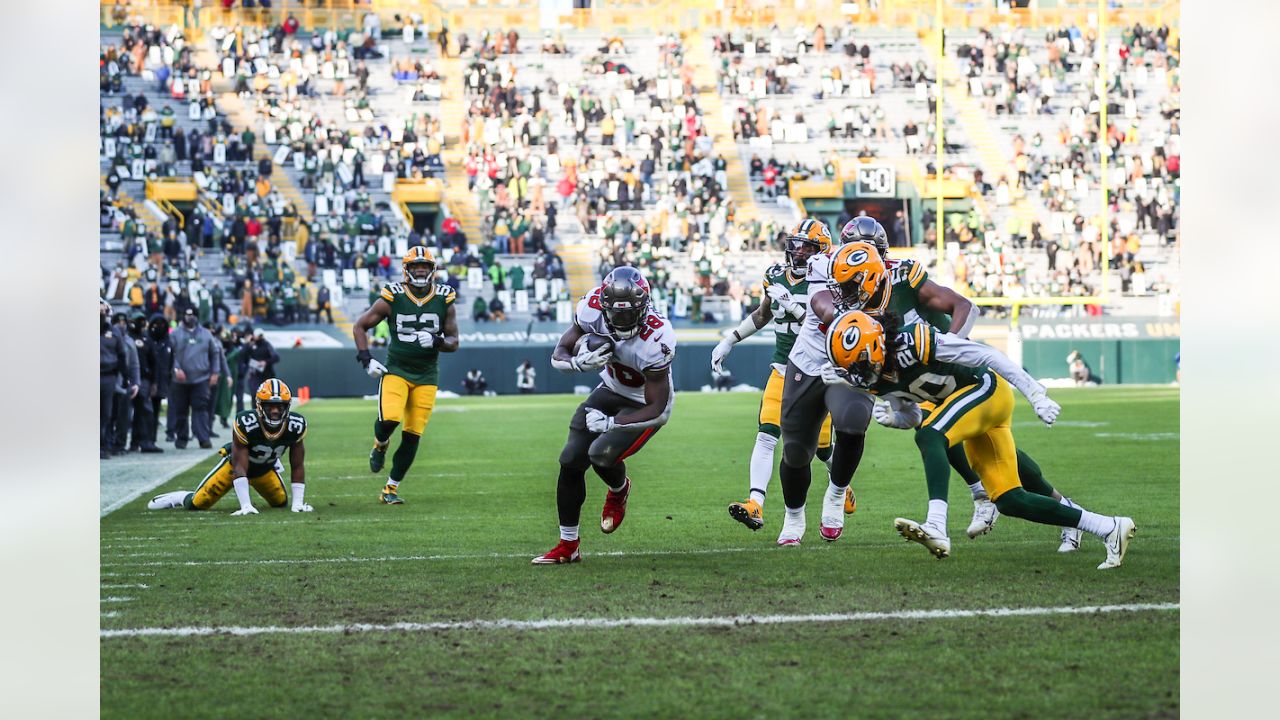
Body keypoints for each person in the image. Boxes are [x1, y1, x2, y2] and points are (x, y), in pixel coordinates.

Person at [823, 310, 1136, 569]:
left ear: (876, 347)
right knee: (1010, 500)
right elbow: (912, 415)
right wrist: (896, 420)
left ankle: (936, 525)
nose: (855, 375)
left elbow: (986, 355)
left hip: (985, 390)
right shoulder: (875, 377)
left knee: (932, 434)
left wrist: (1035, 393)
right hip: (968, 407)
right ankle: (1108, 527)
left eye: (858, 365)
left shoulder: (916, 341)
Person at [534, 267, 676, 565]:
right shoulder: (591, 308)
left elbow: (659, 410)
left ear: (644, 306)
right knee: (571, 459)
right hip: (610, 388)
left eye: (629, 314)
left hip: (642, 404)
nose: (622, 320)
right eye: (616, 313)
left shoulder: (658, 335)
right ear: (604, 304)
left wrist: (613, 423)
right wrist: (576, 363)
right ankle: (568, 545)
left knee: (600, 454)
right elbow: (559, 350)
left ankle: (619, 489)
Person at [711, 220, 837, 532]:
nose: (798, 251)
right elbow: (763, 314)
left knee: (822, 449)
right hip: (783, 368)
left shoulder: (829, 281)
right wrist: (730, 340)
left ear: (821, 251)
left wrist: (794, 306)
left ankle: (841, 484)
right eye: (796, 244)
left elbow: (831, 323)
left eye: (807, 246)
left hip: (818, 370)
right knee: (767, 434)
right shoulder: (775, 276)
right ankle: (755, 503)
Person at [353, 247, 459, 504]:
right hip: (397, 369)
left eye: (424, 266)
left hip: (426, 374)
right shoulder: (393, 295)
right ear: (406, 270)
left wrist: (436, 341)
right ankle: (380, 443)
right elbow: (360, 325)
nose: (420, 270)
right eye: (415, 267)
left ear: (432, 270)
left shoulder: (444, 297)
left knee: (413, 434)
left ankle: (390, 488)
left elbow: (454, 341)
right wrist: (366, 359)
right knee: (389, 418)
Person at [147, 379, 313, 514]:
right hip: (234, 467)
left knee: (280, 502)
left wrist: (297, 503)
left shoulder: (295, 425)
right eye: (270, 406)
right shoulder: (246, 422)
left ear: (288, 406)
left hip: (264, 469)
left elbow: (297, 464)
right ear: (260, 406)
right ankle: (179, 497)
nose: (275, 411)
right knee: (198, 503)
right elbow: (239, 463)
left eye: (280, 406)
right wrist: (246, 505)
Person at [167, 307, 222, 449]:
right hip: (180, 379)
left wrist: (215, 372)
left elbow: (214, 353)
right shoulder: (175, 334)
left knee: (201, 408)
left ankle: (203, 438)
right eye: (187, 315)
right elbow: (170, 354)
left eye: (192, 315)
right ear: (183, 316)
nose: (189, 317)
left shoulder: (206, 334)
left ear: (197, 317)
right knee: (181, 410)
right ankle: (182, 438)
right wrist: (176, 368)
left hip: (201, 378)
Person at [100, 302, 137, 459]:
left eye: (104, 310)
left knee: (106, 414)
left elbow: (122, 356)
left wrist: (126, 377)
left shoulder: (114, 332)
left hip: (109, 376)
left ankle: (103, 445)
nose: (102, 312)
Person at [126, 312, 164, 453]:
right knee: (124, 413)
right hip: (126, 379)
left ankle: (146, 442)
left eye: (142, 321)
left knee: (145, 411)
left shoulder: (147, 340)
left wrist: (154, 383)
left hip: (144, 379)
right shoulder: (126, 338)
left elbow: (154, 363)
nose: (141, 324)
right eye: (138, 320)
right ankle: (128, 442)